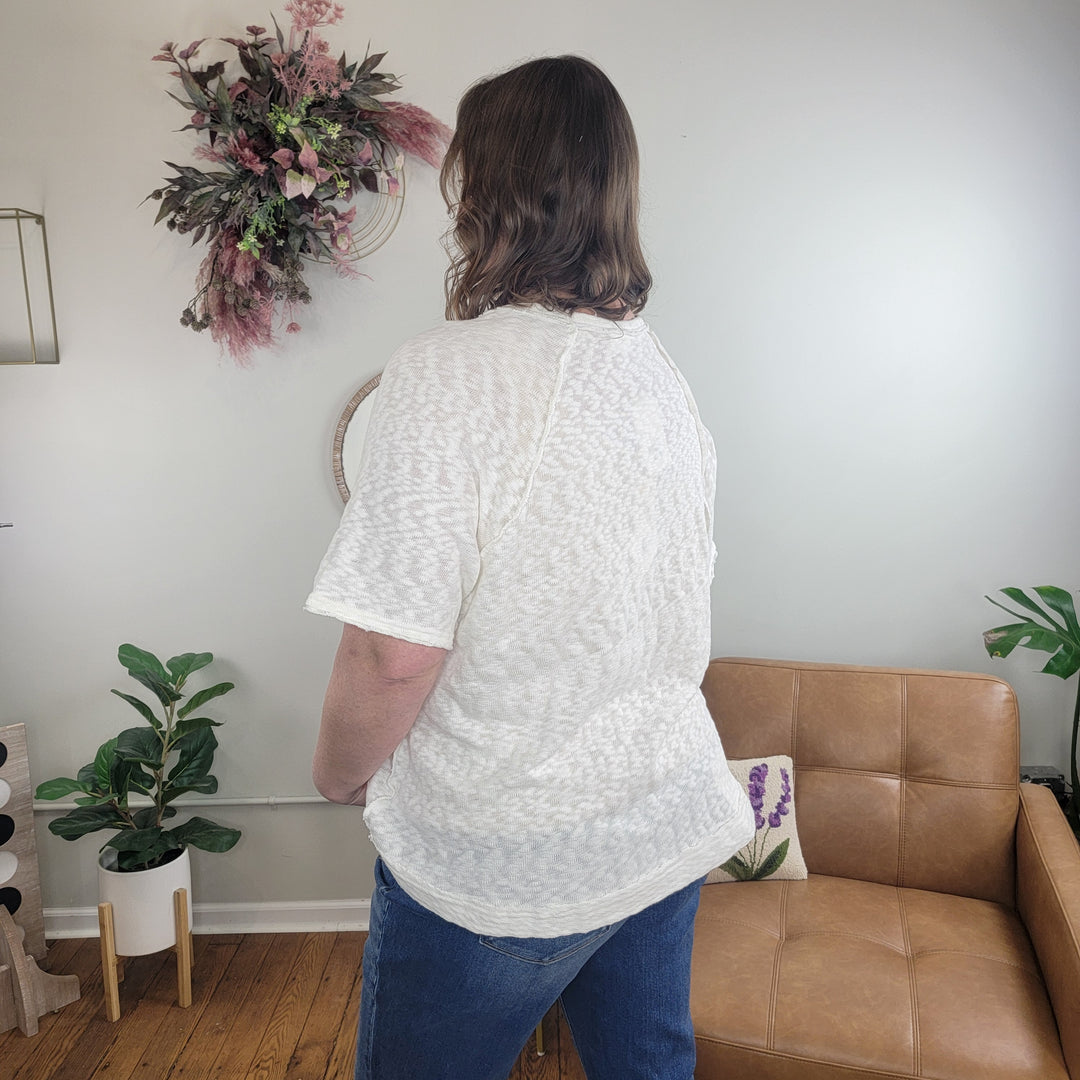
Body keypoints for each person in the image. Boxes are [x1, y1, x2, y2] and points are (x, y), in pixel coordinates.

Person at [305, 54, 754, 1080]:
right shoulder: (656, 371)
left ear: (486, 190)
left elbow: (391, 652)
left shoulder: (445, 373)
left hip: (502, 850)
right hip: (657, 821)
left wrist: (335, 775)